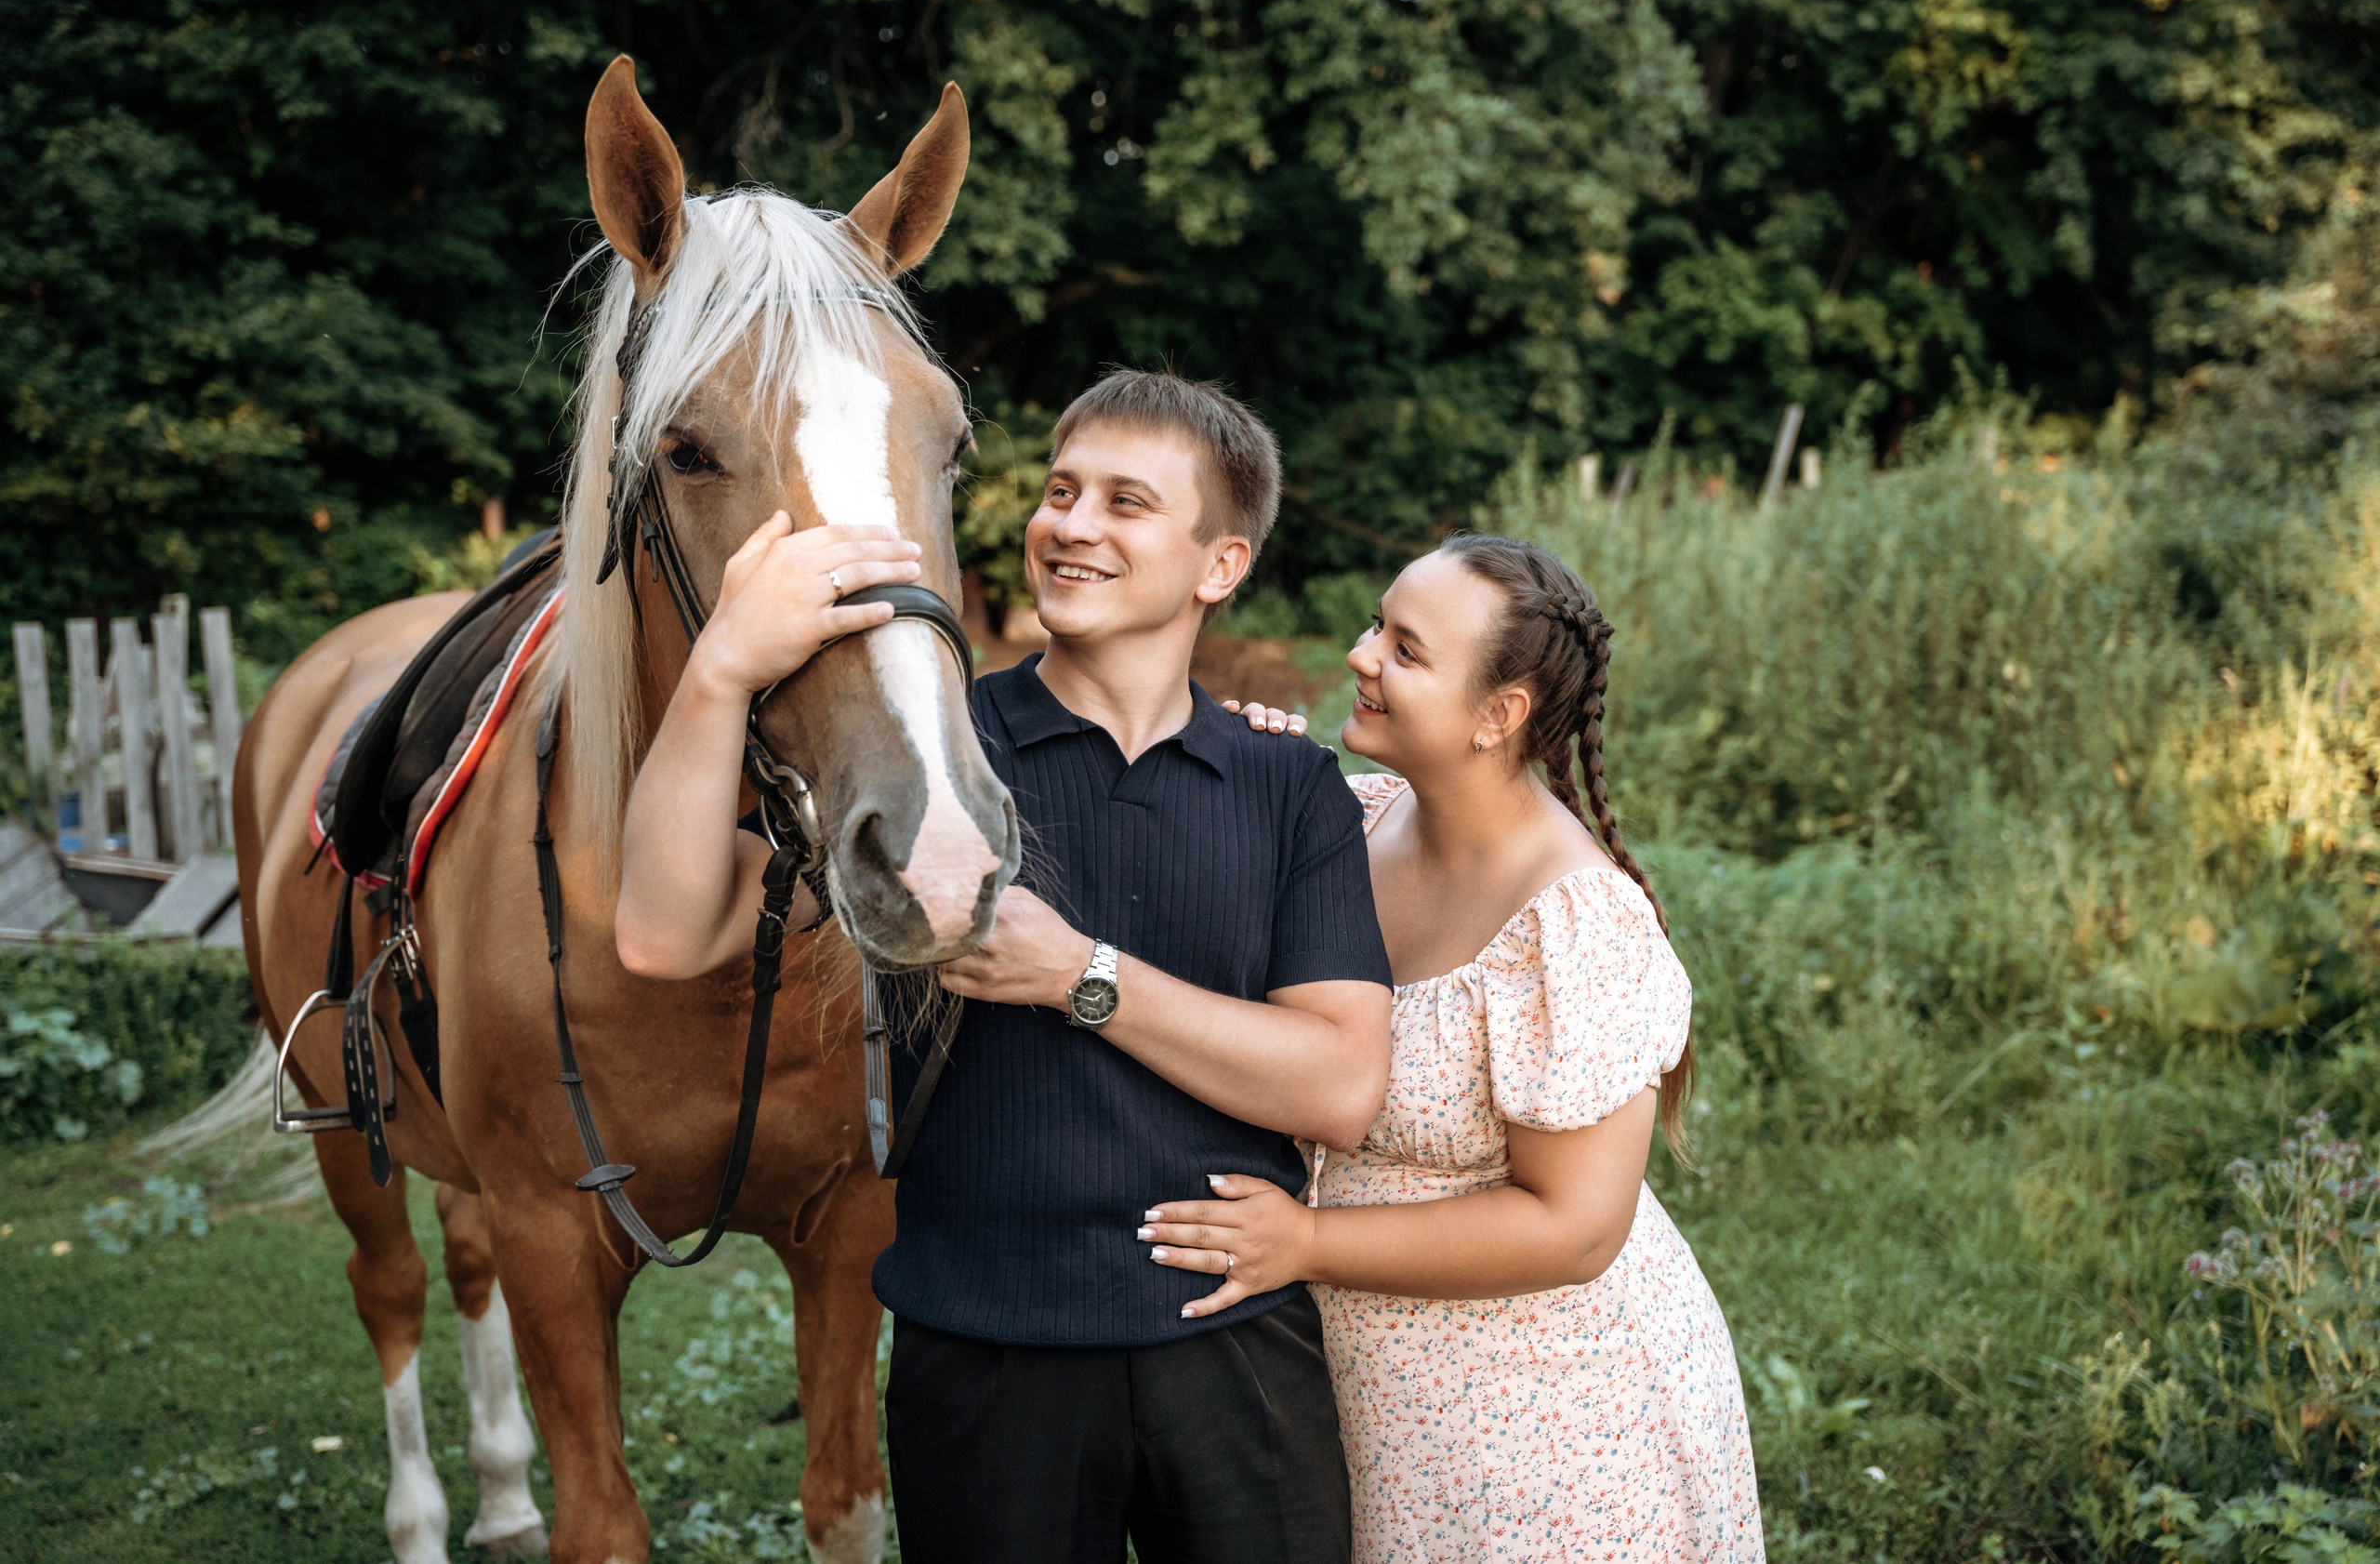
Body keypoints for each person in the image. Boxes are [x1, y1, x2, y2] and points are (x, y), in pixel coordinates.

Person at [615, 368, 1395, 1564]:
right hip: (985, 1360)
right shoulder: (927, 758)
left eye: (1125, 503)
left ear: (1218, 566)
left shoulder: (1287, 785)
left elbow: (1340, 1087)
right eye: (1059, 490)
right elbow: (664, 935)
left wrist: (1081, 973)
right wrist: (722, 667)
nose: (1070, 524)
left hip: (1236, 1352)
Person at [1172, 535, 1765, 1562]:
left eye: (1406, 650)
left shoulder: (1570, 920)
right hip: (1383, 1399)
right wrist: (1237, 774)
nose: (1361, 655)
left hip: (1557, 1420)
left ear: (1499, 716)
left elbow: (1576, 1227)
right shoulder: (1351, 825)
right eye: (1376, 623)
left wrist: (1306, 1245)